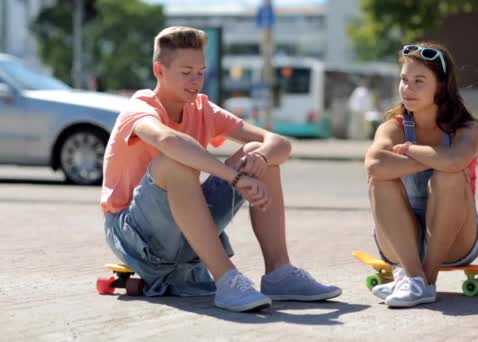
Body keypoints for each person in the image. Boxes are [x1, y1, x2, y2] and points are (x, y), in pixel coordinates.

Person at [101, 26, 341, 312]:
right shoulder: (140, 108)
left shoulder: (201, 108)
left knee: (259, 154)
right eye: (186, 72)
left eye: (201, 72)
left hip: (185, 231)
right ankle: (227, 279)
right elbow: (167, 140)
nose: (195, 81)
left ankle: (279, 272)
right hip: (135, 236)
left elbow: (279, 143)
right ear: (159, 70)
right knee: (176, 160)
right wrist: (235, 178)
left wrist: (261, 159)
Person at [364, 42, 478, 308]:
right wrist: (433, 159)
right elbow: (374, 164)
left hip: (456, 242)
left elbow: (456, 162)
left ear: (441, 86)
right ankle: (412, 275)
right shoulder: (393, 126)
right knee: (380, 178)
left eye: (419, 81)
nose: (408, 89)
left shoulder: (467, 128)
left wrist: (408, 151)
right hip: (398, 244)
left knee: (449, 176)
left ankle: (424, 280)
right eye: (404, 80)